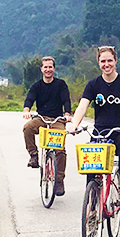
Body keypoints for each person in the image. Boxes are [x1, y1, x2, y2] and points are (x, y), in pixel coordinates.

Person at [69, 45, 120, 206]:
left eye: (109, 60)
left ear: (115, 61)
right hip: (100, 131)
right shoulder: (93, 85)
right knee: (91, 158)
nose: (106, 64)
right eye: (102, 61)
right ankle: (92, 205)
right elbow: (82, 106)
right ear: (98, 63)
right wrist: (74, 125)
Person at [23, 56, 72, 196]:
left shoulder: (61, 84)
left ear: (54, 69)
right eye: (45, 67)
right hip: (41, 118)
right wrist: (27, 109)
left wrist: (67, 113)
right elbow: (30, 98)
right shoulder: (37, 86)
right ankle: (33, 155)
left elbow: (66, 100)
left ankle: (59, 180)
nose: (48, 69)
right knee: (27, 128)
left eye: (50, 67)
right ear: (41, 69)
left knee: (60, 150)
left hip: (57, 119)